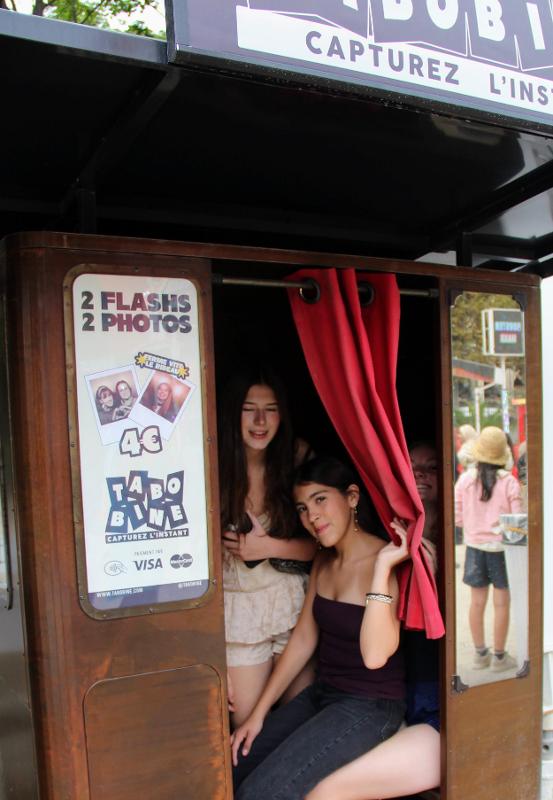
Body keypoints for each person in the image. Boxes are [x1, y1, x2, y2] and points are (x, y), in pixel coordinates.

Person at [231, 456, 408, 800]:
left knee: (260, 793)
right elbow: (303, 640)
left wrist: (381, 570)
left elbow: (375, 656)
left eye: (320, 500)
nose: (312, 516)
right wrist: (258, 715)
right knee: (234, 766)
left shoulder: (386, 560)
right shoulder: (324, 560)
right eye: (302, 508)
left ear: (352, 497)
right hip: (323, 693)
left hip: (371, 705)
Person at [304, 442, 441, 800]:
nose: (421, 475)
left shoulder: (462, 551)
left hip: (439, 716)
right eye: (412, 467)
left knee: (323, 790)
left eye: (432, 467)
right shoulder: (389, 548)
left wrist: (439, 586)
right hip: (389, 704)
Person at [219, 367, 317, 727]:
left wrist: (267, 548)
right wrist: (211, 657)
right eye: (249, 409)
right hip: (236, 615)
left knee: (300, 721)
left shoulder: (296, 458)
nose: (260, 421)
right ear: (232, 413)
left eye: (270, 409)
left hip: (291, 605)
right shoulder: (212, 465)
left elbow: (323, 547)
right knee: (246, 728)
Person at [455, 426, 522, 672]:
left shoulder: (465, 480)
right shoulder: (510, 482)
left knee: (476, 603)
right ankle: (500, 658)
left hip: (475, 549)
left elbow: (457, 518)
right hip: (502, 550)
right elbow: (517, 522)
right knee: (502, 604)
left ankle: (480, 654)